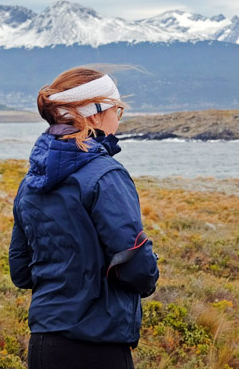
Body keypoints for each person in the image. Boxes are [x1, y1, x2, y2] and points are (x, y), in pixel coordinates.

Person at [9, 67, 159, 369]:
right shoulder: (106, 175)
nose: (119, 118)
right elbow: (134, 264)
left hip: (42, 345)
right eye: (117, 109)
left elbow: (21, 271)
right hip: (97, 346)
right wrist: (148, 278)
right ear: (95, 114)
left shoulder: (31, 181)